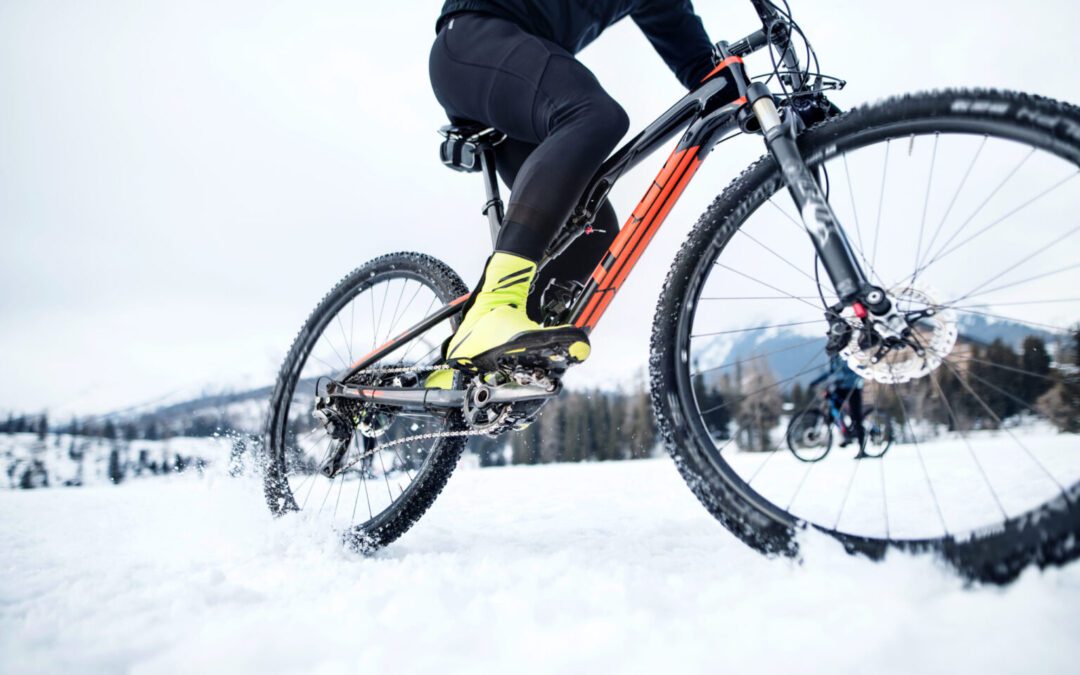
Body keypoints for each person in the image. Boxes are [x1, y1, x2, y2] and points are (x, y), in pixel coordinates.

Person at [426, 1, 715, 387]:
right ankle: (495, 306)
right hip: (473, 41)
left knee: (591, 230)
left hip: (521, 79)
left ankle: (475, 369)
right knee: (595, 114)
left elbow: (704, 71)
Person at [810, 354, 866, 453]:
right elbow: (831, 373)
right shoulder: (834, 356)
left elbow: (860, 369)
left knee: (856, 416)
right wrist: (816, 382)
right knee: (833, 411)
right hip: (840, 387)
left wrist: (840, 378)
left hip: (853, 387)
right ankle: (845, 434)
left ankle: (862, 448)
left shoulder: (850, 351)